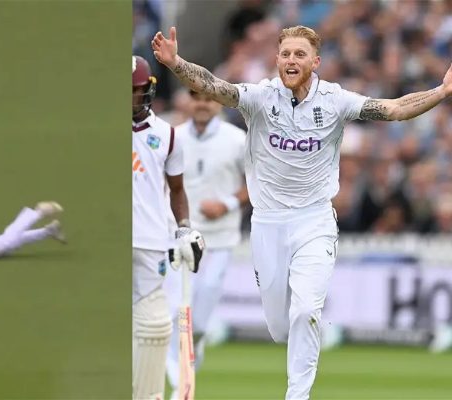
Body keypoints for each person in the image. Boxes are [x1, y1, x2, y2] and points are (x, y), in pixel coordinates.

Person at [152, 24, 452, 400]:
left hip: (315, 221)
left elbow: (392, 109)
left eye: (299, 54)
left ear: (316, 61)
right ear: (277, 59)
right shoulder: (261, 97)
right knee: (281, 326)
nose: (291, 60)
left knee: (307, 309)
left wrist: (442, 91)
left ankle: (298, 395)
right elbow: (216, 87)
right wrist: (176, 62)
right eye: (285, 54)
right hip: (268, 223)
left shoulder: (335, 100)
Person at [162, 89, 248, 399]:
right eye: (196, 97)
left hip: (221, 239)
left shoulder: (237, 139)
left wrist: (226, 203)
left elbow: (256, 183)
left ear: (218, 102)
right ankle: (181, 385)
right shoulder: (172, 135)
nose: (201, 104)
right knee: (175, 311)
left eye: (208, 98)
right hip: (178, 237)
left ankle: (190, 359)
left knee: (197, 323)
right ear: (188, 101)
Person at [132, 55, 205, 400]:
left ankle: (147, 395)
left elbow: (177, 190)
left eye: (136, 91)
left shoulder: (168, 135)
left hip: (150, 240)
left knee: (155, 325)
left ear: (148, 90)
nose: (130, 98)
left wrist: (185, 229)